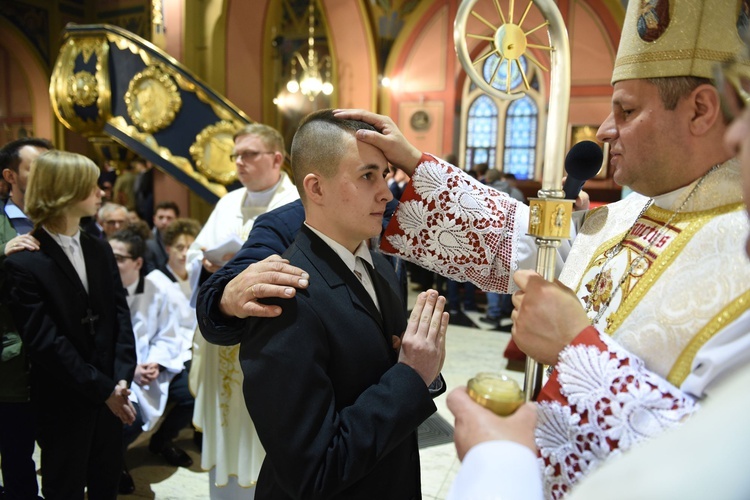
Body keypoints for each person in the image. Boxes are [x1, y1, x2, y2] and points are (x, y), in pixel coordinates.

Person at [334, 1, 750, 496]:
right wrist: (415, 165)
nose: (603, 130)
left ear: (701, 110)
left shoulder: (737, 251)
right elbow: (522, 247)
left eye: (627, 110)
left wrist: (576, 349)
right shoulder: (621, 216)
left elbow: (715, 467)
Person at [232, 109, 447, 498]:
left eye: (384, 175)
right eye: (367, 176)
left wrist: (421, 366)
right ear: (315, 188)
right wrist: (411, 376)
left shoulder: (378, 263)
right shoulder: (285, 297)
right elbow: (313, 469)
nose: (386, 192)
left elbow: (382, 373)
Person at [3, 150, 136, 499]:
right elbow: (45, 341)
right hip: (64, 398)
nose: (101, 192)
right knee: (65, 487)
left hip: (111, 390)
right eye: (90, 185)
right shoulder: (27, 262)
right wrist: (103, 388)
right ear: (65, 192)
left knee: (107, 482)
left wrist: (122, 376)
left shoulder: (99, 249)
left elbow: (120, 316)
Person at [188, 122, 299, 498]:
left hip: (271, 334)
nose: (239, 163)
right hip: (222, 338)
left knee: (264, 428)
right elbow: (195, 252)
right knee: (227, 422)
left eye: (249, 154)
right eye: (236, 155)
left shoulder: (297, 203)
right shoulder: (226, 202)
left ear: (277, 158)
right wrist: (204, 264)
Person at [0, 137, 52, 500]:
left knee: (62, 457)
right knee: (17, 461)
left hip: (59, 364)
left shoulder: (65, 223)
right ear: (11, 176)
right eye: (38, 168)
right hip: (10, 366)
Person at [145, 200, 180, 272]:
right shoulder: (148, 243)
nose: (164, 222)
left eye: (169, 218)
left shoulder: (185, 240)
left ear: (177, 220)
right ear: (154, 219)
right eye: (160, 217)